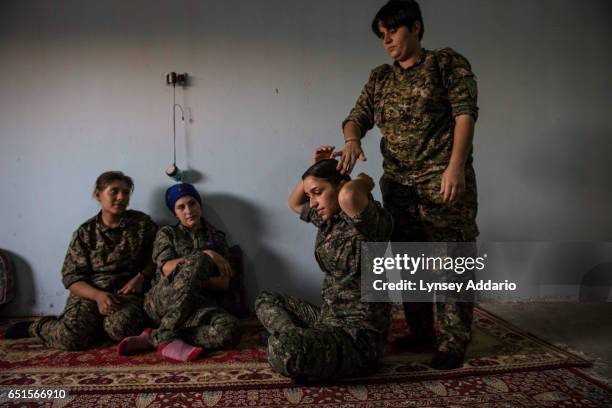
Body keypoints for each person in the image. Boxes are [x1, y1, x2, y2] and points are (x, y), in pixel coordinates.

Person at [337, 0, 479, 369]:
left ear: (415, 27)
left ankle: (454, 341)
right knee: (412, 258)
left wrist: (455, 168)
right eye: (381, 35)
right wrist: (352, 139)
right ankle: (421, 332)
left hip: (440, 179)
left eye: (393, 31)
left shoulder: (445, 63)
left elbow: (465, 115)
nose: (387, 41)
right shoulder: (381, 78)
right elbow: (355, 118)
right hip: (398, 184)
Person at [255, 146, 393, 382]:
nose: (313, 202)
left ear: (340, 186)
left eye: (318, 193)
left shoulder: (368, 220)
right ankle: (296, 338)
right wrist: (313, 171)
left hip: (358, 336)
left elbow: (350, 194)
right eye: (311, 195)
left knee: (287, 352)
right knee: (265, 300)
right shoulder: (328, 218)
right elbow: (294, 202)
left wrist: (363, 179)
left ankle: (293, 343)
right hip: (327, 320)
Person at [5, 171, 157, 350]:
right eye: (114, 191)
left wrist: (142, 277)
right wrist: (98, 296)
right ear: (98, 194)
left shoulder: (142, 224)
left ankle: (96, 328)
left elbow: (158, 257)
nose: (121, 197)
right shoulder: (85, 233)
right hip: (90, 294)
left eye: (125, 193)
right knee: (71, 338)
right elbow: (71, 278)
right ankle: (38, 327)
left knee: (121, 328)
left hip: (126, 295)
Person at [117, 183, 241, 361]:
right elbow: (166, 268)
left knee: (231, 330)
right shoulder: (167, 233)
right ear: (175, 213)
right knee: (199, 259)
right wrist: (207, 255)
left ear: (200, 206)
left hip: (197, 304)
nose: (188, 210)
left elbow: (224, 283)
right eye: (181, 207)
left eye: (192, 203)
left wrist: (192, 280)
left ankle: (156, 337)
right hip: (163, 300)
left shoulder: (216, 237)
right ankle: (167, 338)